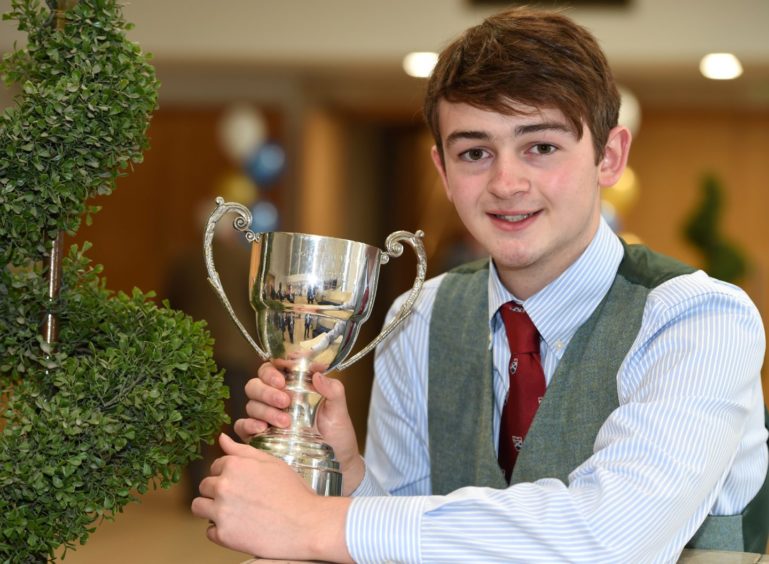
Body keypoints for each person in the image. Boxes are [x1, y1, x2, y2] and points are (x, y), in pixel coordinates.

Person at [191, 7, 769, 562]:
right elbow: (405, 538)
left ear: (609, 157)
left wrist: (315, 521)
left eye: (541, 146)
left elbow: (610, 540)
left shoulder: (701, 319)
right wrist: (350, 474)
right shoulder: (419, 316)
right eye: (474, 152)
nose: (506, 182)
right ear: (442, 170)